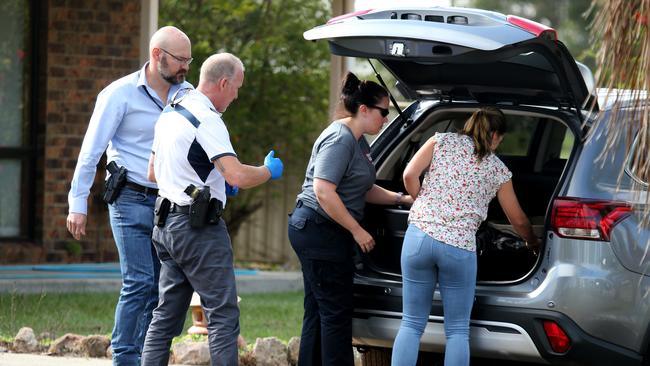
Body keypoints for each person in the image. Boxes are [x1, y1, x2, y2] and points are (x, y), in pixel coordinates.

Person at [140, 52, 284, 366]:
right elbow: (237, 174)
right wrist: (266, 171)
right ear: (223, 82)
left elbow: (153, 172)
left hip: (165, 227)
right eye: (237, 88)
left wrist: (213, 179)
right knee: (222, 313)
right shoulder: (207, 118)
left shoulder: (170, 112)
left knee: (165, 316)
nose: (236, 95)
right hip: (198, 230)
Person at [65, 26, 193, 365]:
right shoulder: (118, 94)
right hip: (129, 199)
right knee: (139, 282)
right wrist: (77, 204)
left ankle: (150, 357)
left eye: (189, 61)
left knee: (163, 289)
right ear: (156, 55)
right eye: (180, 60)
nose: (185, 68)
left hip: (169, 203)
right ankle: (125, 358)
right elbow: (91, 152)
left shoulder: (187, 94)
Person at [391, 107, 540, 366]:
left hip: (418, 239)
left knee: (412, 323)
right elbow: (518, 219)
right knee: (458, 330)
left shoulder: (440, 140)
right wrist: (532, 241)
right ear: (495, 135)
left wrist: (423, 200)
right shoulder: (497, 169)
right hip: (458, 247)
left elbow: (408, 175)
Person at [288, 72, 414, 366]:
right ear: (364, 109)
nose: (386, 119)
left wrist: (400, 199)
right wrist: (357, 230)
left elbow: (364, 187)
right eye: (384, 112)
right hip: (319, 229)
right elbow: (323, 190)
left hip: (322, 230)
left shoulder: (359, 142)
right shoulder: (340, 139)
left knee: (319, 311)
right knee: (335, 314)